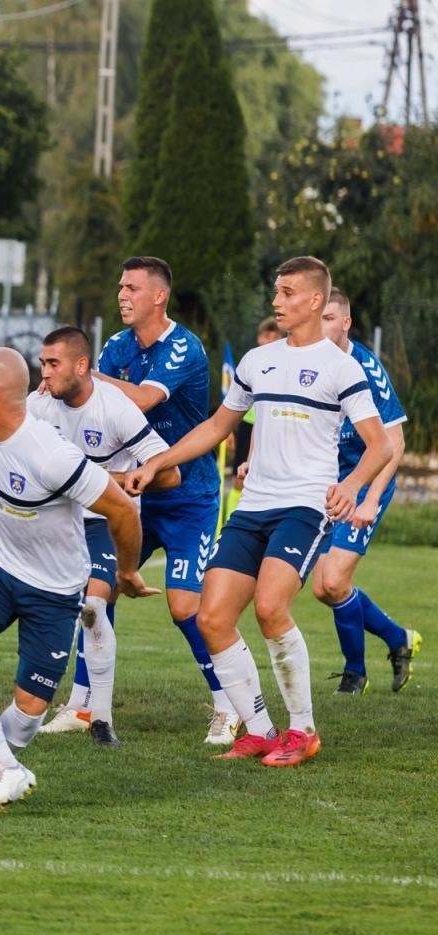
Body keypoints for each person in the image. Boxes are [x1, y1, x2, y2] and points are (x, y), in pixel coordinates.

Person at [125, 256, 391, 768]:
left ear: (316, 300)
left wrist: (353, 485)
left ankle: (303, 731)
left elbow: (378, 444)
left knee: (271, 607)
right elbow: (217, 426)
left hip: (307, 505)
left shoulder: (342, 367)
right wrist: (159, 460)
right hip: (253, 506)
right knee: (212, 616)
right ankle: (262, 731)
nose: (277, 301)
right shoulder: (257, 360)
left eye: (288, 292)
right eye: (276, 292)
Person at [0, 348, 152, 814]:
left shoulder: (52, 456)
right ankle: (1, 765)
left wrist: (126, 570)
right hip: (0, 568)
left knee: (28, 715)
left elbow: (123, 510)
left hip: (55, 589)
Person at [92, 256, 240, 746]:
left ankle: (228, 704)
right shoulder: (116, 346)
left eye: (132, 287)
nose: (122, 295)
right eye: (120, 286)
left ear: (159, 296)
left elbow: (141, 400)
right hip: (134, 493)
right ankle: (85, 704)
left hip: (189, 493)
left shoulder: (183, 347)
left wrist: (85, 376)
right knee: (97, 590)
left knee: (183, 607)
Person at [24, 327, 178, 746]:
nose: (44, 372)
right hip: (52, 519)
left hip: (102, 521)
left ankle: (101, 721)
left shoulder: (116, 409)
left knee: (93, 607)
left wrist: (98, 481)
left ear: (80, 365)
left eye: (53, 363)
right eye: (42, 363)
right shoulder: (38, 406)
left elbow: (169, 473)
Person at [309, 288, 420, 695]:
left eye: (329, 318)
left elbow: (395, 443)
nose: (321, 326)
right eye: (317, 317)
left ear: (346, 323)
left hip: (367, 479)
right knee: (323, 587)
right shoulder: (310, 362)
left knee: (334, 580)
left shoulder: (366, 369)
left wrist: (369, 498)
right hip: (327, 483)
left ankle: (355, 673)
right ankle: (397, 639)